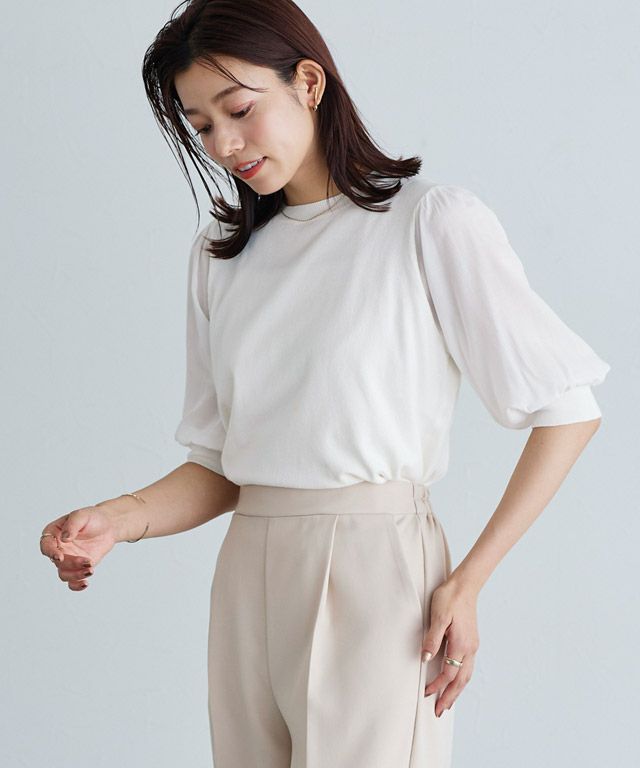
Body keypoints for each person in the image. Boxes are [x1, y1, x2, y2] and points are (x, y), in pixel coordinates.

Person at [39, 1, 611, 766]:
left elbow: (567, 409)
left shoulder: (427, 221)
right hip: (247, 573)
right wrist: (115, 520)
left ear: (308, 83)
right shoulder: (221, 254)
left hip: (378, 572)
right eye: (201, 126)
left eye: (239, 109)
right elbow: (221, 463)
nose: (224, 144)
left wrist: (468, 581)